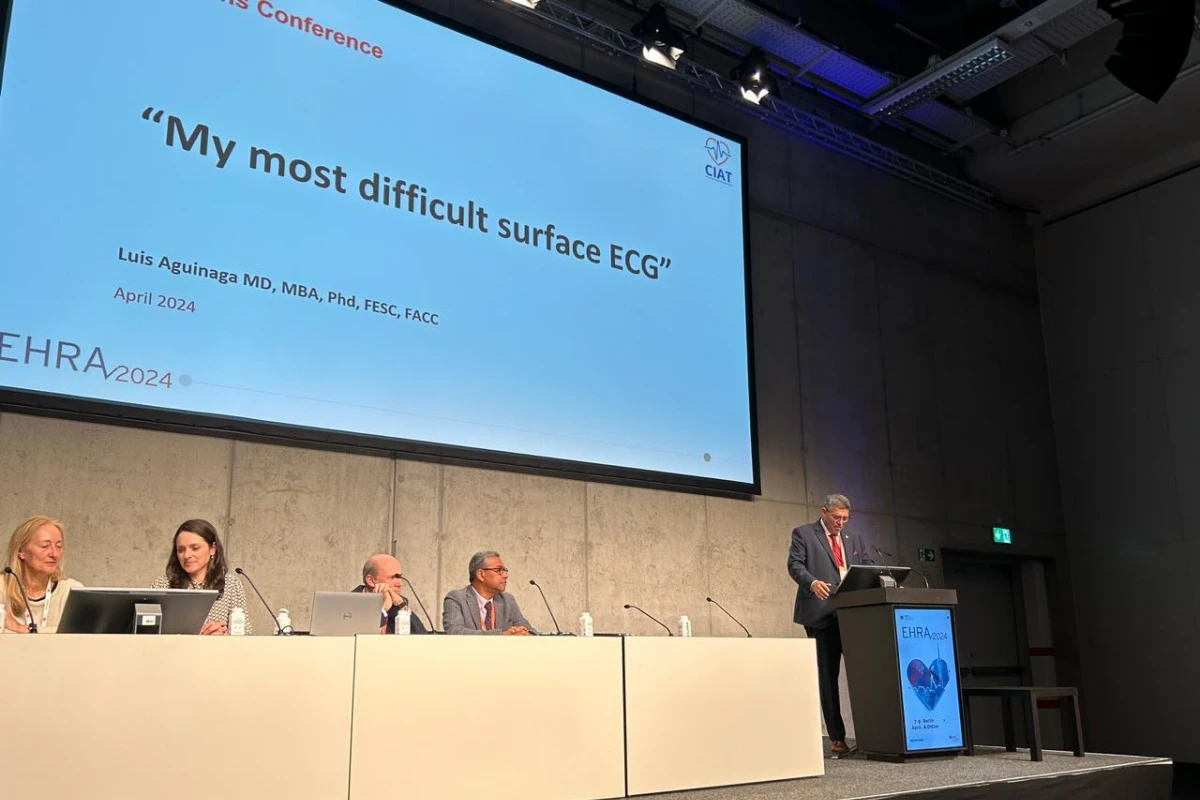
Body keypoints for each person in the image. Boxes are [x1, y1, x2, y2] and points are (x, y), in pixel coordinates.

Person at [788, 494, 873, 757]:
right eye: (837, 517)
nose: (841, 523)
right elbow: (794, 565)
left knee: (865, 675)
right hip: (820, 614)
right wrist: (811, 582)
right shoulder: (804, 533)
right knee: (828, 677)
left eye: (845, 518)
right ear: (824, 512)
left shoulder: (854, 539)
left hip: (851, 615)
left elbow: (867, 566)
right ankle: (837, 738)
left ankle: (873, 735)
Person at [151, 519, 251, 635]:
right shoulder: (163, 585)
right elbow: (149, 633)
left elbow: (246, 633)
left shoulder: (231, 584)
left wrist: (224, 636)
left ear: (212, 549)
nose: (187, 555)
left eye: (195, 548)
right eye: (181, 550)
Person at [2, 515, 83, 634]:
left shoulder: (71, 590)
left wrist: (21, 629)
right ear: (21, 551)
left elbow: (82, 634)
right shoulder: (2, 588)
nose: (54, 554)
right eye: (45, 546)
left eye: (59, 546)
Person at [443, 550, 533, 635]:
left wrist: (523, 632)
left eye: (505, 570)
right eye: (499, 570)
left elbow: (529, 630)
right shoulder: (456, 598)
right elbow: (454, 632)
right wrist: (501, 635)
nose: (505, 575)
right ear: (481, 574)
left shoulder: (507, 600)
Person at [352, 554, 429, 634]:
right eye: (392, 577)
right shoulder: (350, 604)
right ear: (371, 580)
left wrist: (401, 604)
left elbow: (422, 637)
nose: (400, 583)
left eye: (399, 577)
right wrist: (384, 608)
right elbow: (360, 638)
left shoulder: (397, 603)